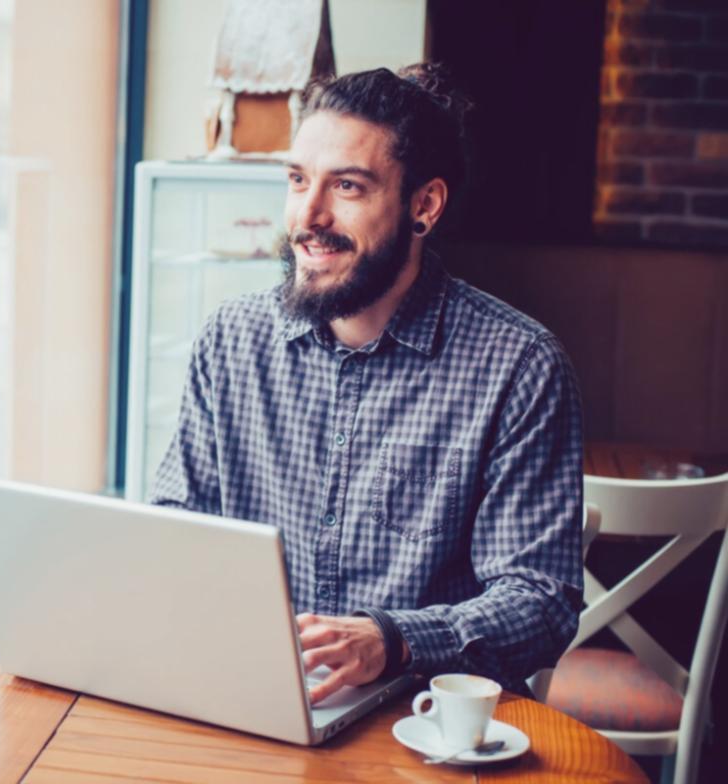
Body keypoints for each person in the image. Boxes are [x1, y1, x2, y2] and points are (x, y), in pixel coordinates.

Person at [149, 63, 584, 703]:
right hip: (252, 698)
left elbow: (540, 602)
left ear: (423, 206)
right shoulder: (230, 339)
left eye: (346, 187)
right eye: (298, 181)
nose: (308, 216)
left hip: (428, 718)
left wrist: (394, 640)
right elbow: (178, 524)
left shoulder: (519, 366)